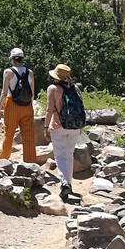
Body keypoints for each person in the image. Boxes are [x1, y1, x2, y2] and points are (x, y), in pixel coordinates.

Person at [44, 63, 83, 201]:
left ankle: (65, 183)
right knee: (69, 155)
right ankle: (69, 184)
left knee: (60, 156)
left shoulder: (53, 88)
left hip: (58, 125)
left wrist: (45, 127)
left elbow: (49, 110)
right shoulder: (75, 88)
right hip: (75, 127)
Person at [0, 47, 37, 162]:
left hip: (11, 104)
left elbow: (4, 93)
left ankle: (3, 157)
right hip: (27, 105)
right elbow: (32, 93)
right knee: (28, 134)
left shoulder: (8, 72)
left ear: (12, 59)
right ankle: (30, 160)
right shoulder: (30, 72)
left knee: (9, 132)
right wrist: (30, 107)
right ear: (22, 59)